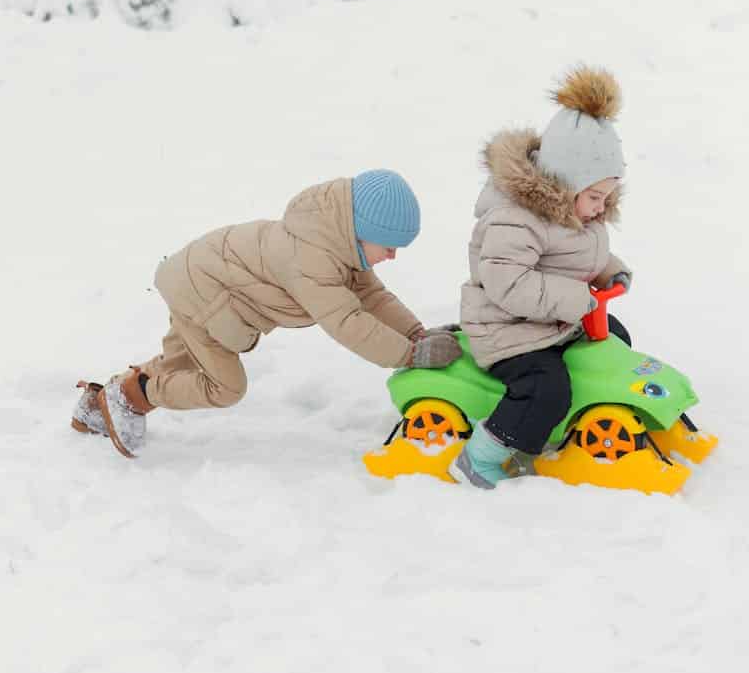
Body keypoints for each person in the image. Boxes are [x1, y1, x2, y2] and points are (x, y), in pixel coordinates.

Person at [72, 169, 462, 458]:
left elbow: (373, 298)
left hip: (201, 278)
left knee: (181, 364)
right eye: (389, 246)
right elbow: (347, 322)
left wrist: (416, 334)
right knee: (224, 386)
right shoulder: (312, 259)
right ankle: (130, 394)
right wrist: (410, 356)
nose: (392, 256)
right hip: (204, 295)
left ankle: (95, 408)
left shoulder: (336, 245)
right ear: (360, 230)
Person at [450, 66, 634, 489]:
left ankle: (577, 419)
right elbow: (507, 284)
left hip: (549, 321)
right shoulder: (515, 220)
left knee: (615, 339)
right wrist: (575, 298)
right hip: (509, 331)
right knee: (544, 387)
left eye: (607, 198)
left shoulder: (574, 211)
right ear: (565, 182)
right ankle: (482, 457)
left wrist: (610, 271)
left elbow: (576, 256)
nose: (600, 208)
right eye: (595, 197)